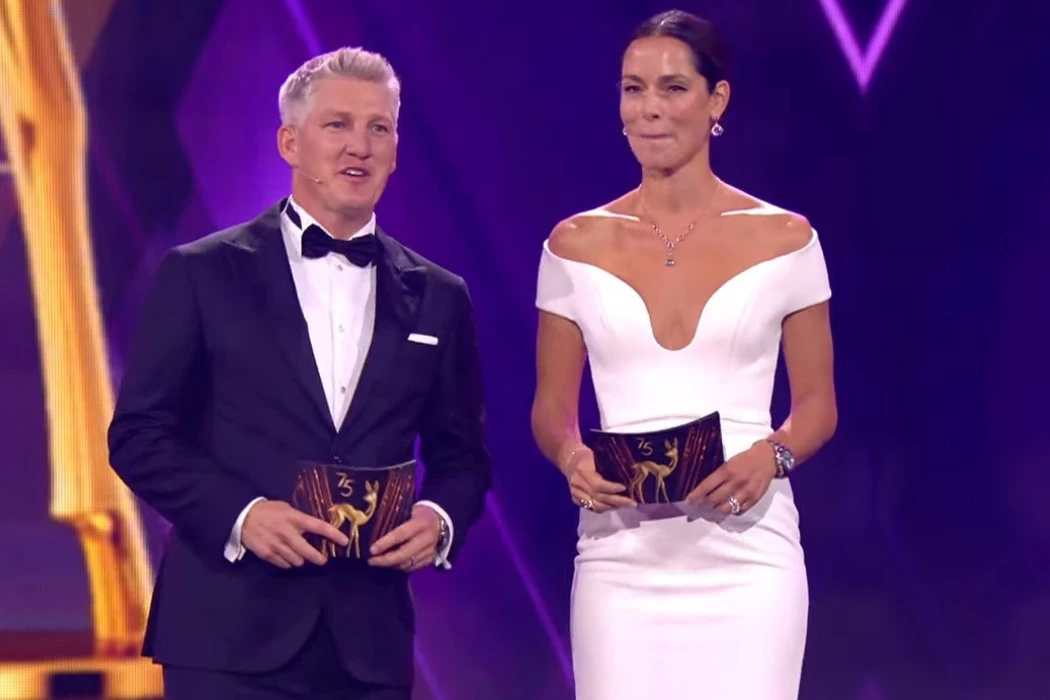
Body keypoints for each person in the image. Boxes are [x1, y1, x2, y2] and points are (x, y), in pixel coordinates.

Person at [108, 46, 492, 699]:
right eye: (337, 124)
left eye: (378, 128)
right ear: (290, 142)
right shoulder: (202, 273)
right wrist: (243, 515)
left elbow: (464, 456)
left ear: (396, 151)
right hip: (226, 633)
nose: (360, 146)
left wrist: (439, 518)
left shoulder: (439, 295)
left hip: (367, 644)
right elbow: (139, 436)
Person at [531, 10, 837, 700]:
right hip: (619, 558)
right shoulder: (572, 245)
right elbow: (550, 408)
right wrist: (572, 457)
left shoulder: (787, 240)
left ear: (716, 100)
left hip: (748, 556)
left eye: (672, 88)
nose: (648, 109)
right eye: (632, 88)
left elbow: (818, 407)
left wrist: (773, 456)